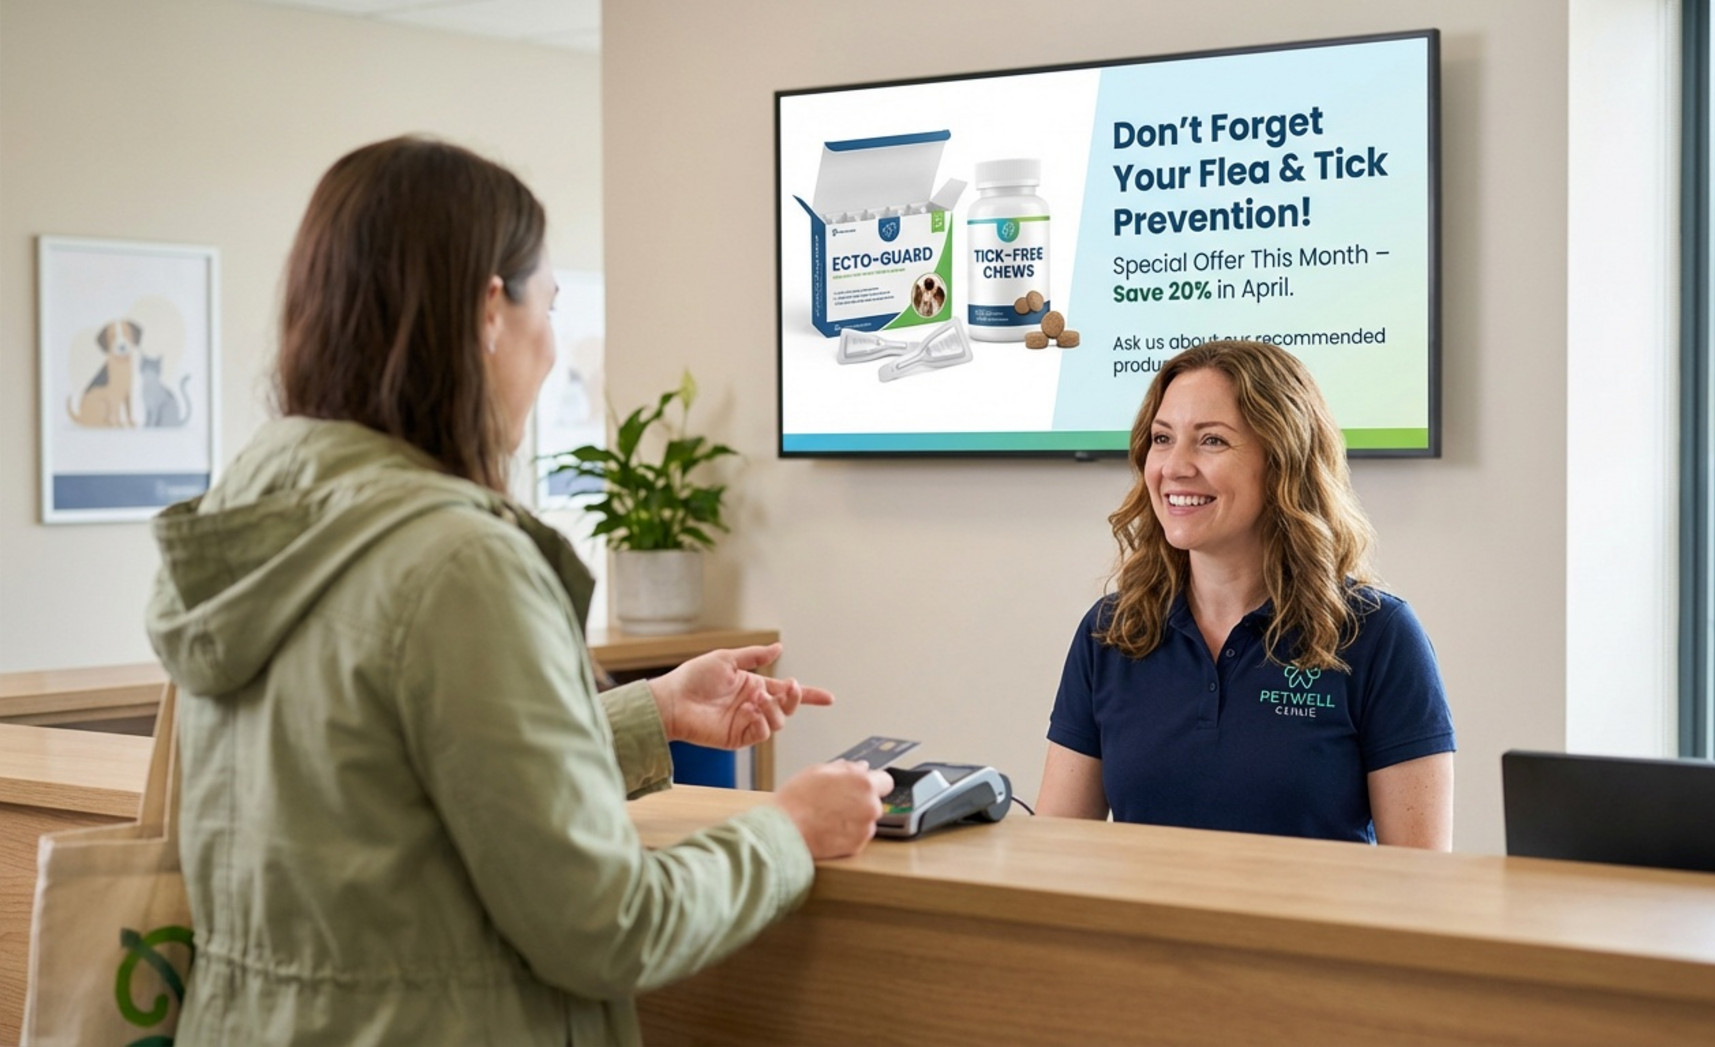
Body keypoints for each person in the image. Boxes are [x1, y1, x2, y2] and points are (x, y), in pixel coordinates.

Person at [144, 136, 891, 1045]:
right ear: (489, 311)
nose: (551, 350)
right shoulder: (459, 563)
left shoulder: (251, 527)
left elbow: (381, 789)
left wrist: (652, 712)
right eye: (551, 305)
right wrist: (787, 829)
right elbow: (607, 925)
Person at [1036, 340, 1454, 848]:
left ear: (1283, 460)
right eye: (1162, 438)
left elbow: (1417, 880)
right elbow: (1055, 854)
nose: (1174, 467)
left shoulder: (1378, 635)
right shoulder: (1113, 630)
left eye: (1211, 440)